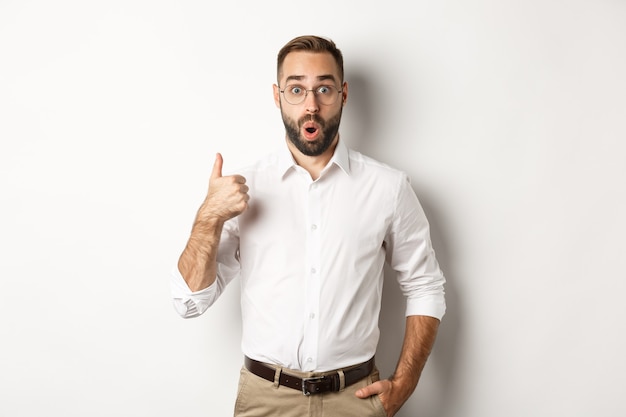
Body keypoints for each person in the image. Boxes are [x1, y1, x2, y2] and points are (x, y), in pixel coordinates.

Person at [170, 35, 446, 417]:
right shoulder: (243, 188)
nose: (311, 105)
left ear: (343, 94)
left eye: (324, 89)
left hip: (357, 399)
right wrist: (207, 219)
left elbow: (425, 285)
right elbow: (188, 303)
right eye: (297, 89)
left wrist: (404, 384)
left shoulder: (388, 188)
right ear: (277, 95)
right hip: (265, 399)